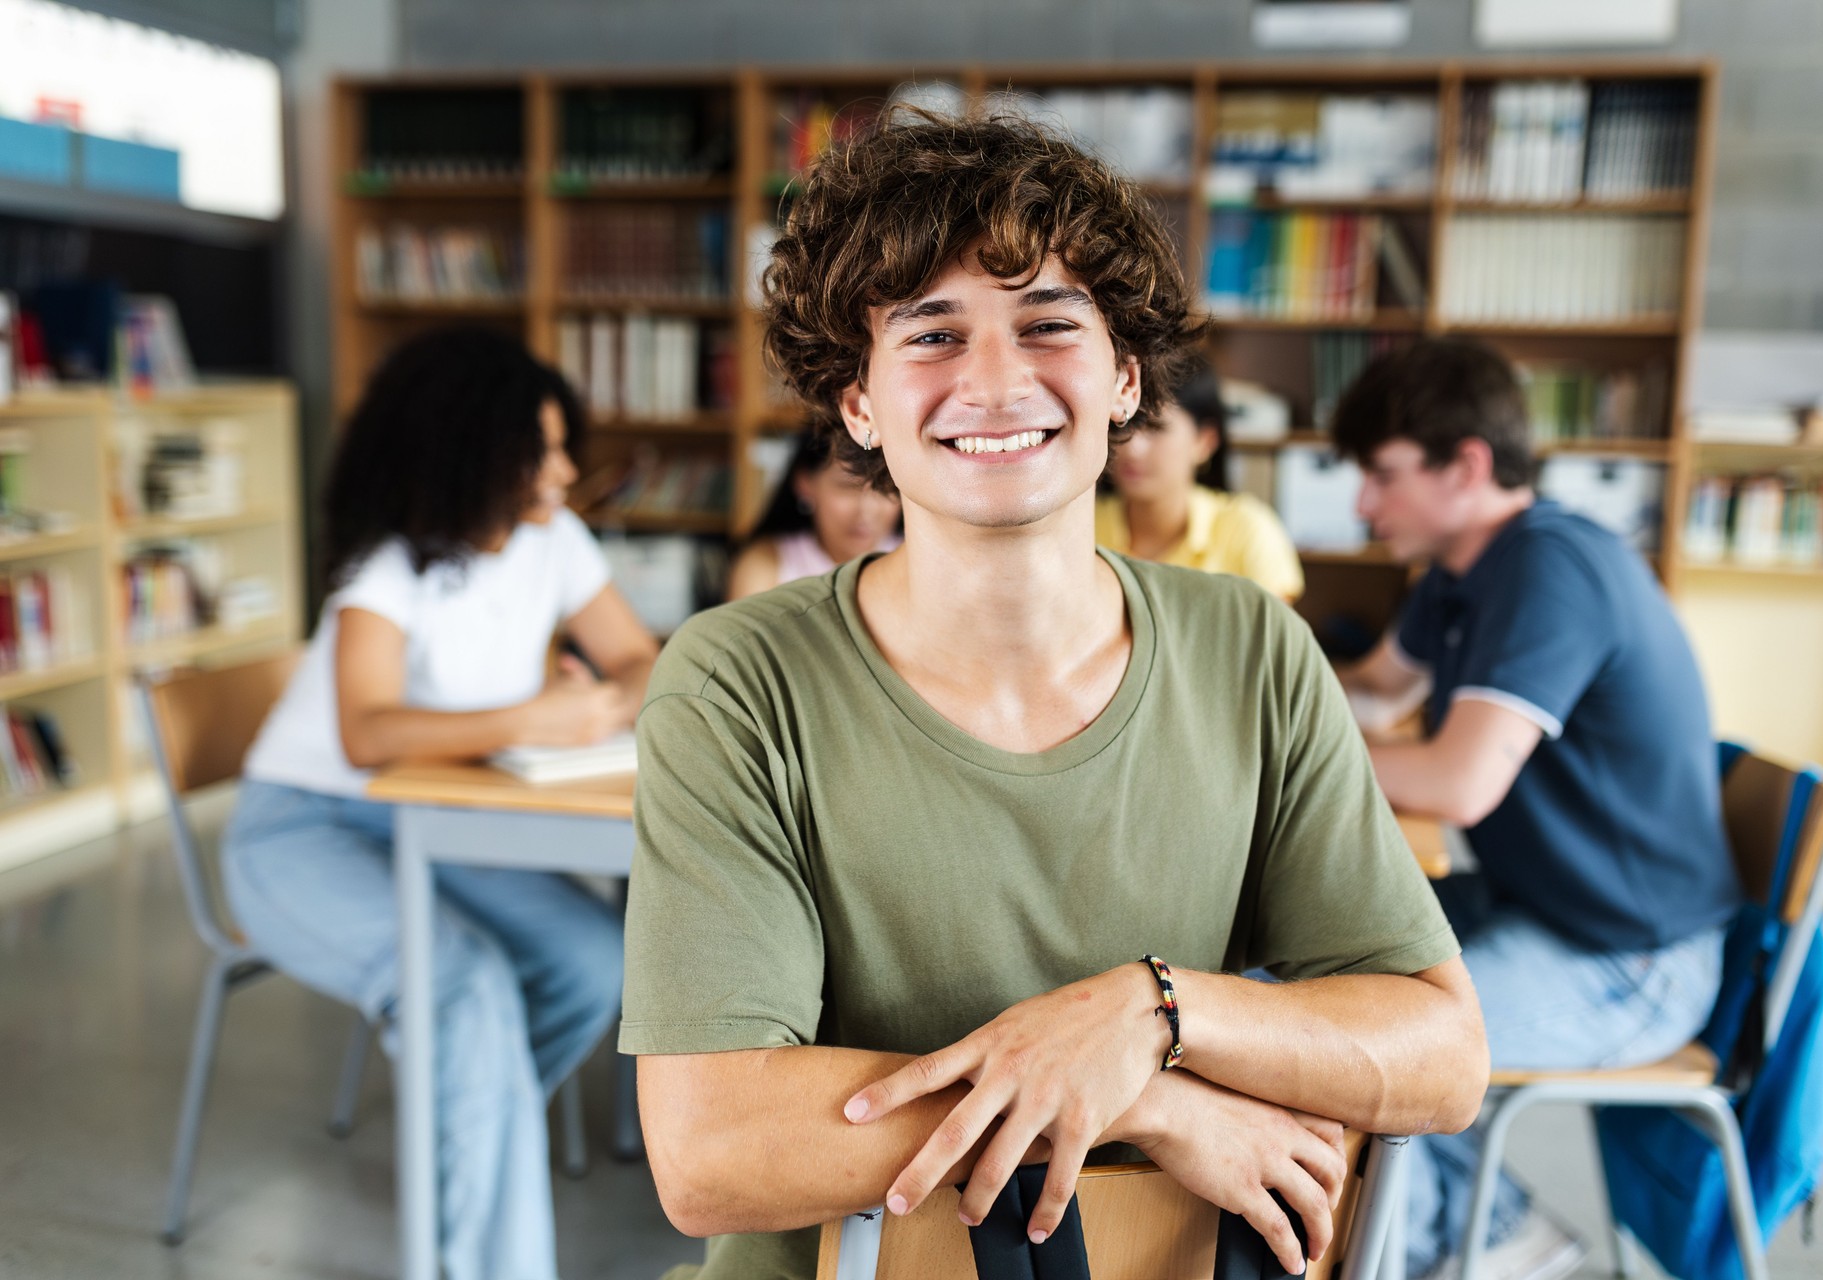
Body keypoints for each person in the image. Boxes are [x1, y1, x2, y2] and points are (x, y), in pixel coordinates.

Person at [619, 110, 1488, 1280]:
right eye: (933, 333)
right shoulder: (738, 679)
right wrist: (1142, 1097)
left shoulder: (1250, 649)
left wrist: (1153, 1012)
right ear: (858, 402)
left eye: (1048, 323)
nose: (995, 378)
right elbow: (712, 1147)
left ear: (1125, 378)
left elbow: (1443, 1057)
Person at [223, 329, 661, 1280]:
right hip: (301, 828)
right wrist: (534, 716)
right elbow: (367, 732)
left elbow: (638, 655)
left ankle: (467, 1131)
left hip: (433, 819)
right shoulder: (388, 566)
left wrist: (605, 701)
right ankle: (482, 1239)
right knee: (466, 990)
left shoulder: (554, 540)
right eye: (542, 451)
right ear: (473, 451)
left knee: (591, 959)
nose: (565, 472)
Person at [1328, 338, 1740, 1280]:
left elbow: (1457, 781)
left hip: (1632, 957)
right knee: (1304, 964)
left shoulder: (1552, 568)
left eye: (1382, 475)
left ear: (1466, 466)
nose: (1363, 505)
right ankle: (1481, 1229)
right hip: (1545, 906)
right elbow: (1377, 693)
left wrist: (1291, 759)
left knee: (1369, 1050)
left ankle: (1489, 1239)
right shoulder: (1460, 574)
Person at [1095, 361, 1304, 601]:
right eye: (1123, 423)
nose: (1132, 447)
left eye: (1155, 428)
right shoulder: (1084, 525)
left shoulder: (1248, 530)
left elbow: (1269, 624)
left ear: (1205, 441)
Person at [727, 428, 901, 599]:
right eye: (848, 486)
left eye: (885, 488)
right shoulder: (765, 567)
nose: (868, 510)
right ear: (804, 483)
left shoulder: (912, 562)